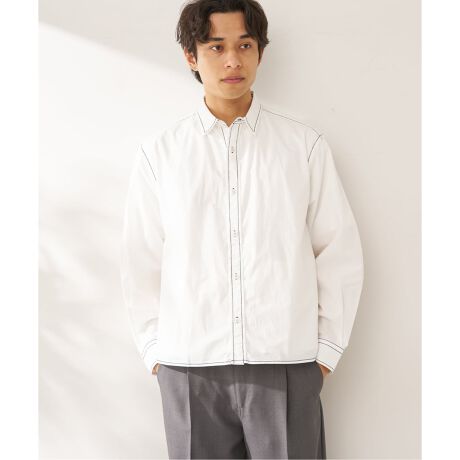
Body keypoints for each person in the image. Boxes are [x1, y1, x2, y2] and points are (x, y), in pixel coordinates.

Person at [120, 0, 364, 458]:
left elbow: (338, 251)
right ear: (191, 56)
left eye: (245, 45)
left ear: (260, 52)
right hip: (189, 369)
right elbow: (141, 259)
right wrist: (155, 353)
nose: (232, 60)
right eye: (216, 47)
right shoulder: (161, 154)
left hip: (286, 365)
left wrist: (325, 354)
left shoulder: (303, 148)